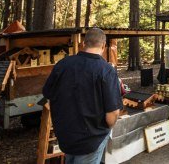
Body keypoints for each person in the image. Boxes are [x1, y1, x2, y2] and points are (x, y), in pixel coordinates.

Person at [42, 28, 122, 163]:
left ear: (84, 43)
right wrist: (109, 127)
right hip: (91, 139)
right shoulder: (106, 70)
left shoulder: (62, 65)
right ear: (103, 46)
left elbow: (48, 98)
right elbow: (112, 113)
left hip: (66, 136)